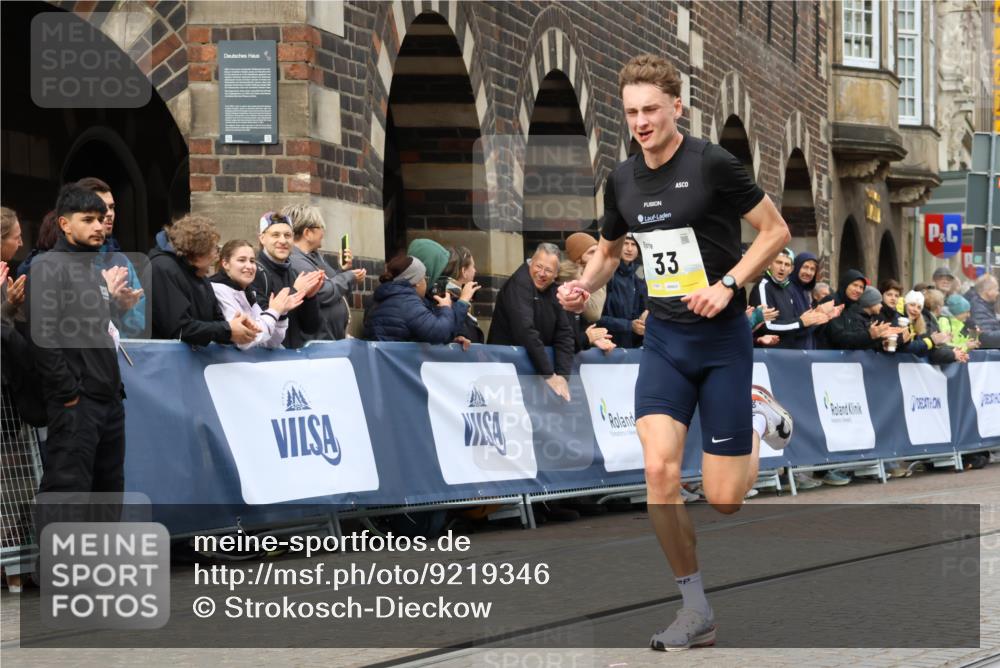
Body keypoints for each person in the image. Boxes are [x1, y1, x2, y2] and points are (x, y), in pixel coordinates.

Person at [556, 54, 794, 651]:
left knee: (725, 500)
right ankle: (695, 610)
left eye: (651, 111)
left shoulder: (711, 162)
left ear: (676, 108)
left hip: (721, 340)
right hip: (664, 340)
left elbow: (776, 231)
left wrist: (728, 285)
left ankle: (756, 410)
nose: (640, 122)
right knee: (659, 470)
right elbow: (610, 249)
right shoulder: (624, 177)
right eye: (632, 112)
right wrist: (586, 282)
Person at [25, 184, 141, 494]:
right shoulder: (48, 266)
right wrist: (69, 393)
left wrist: (115, 307)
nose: (99, 226)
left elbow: (91, 327)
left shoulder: (90, 268)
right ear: (64, 224)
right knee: (68, 489)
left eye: (101, 219)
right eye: (87, 219)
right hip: (77, 403)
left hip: (108, 398)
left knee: (109, 489)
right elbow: (43, 336)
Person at [150, 214, 259, 346]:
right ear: (198, 250)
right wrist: (227, 330)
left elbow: (215, 320)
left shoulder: (200, 276)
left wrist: (235, 326)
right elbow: (179, 329)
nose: (216, 255)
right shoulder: (162, 268)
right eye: (214, 249)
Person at [491, 243, 576, 401]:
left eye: (549, 270)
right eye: (538, 266)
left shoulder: (554, 290)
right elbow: (525, 330)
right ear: (531, 262)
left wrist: (563, 376)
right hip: (507, 371)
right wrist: (549, 375)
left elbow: (564, 333)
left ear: (556, 274)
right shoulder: (520, 284)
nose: (542, 273)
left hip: (534, 372)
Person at [77, 177, 146, 338]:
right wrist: (109, 299)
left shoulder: (121, 261)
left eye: (112, 207)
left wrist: (123, 308)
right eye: (101, 207)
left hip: (117, 354)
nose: (108, 214)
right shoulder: (62, 259)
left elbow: (138, 321)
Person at [284, 204, 365, 341]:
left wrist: (343, 270)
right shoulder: (296, 260)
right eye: (320, 227)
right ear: (307, 233)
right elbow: (322, 292)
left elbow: (334, 287)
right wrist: (349, 277)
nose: (323, 232)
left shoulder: (314, 257)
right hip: (317, 343)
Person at [210, 240, 304, 350]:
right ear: (225, 263)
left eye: (252, 261)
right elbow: (245, 340)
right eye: (242, 260)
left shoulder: (249, 292)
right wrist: (274, 312)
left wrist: (281, 313)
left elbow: (271, 342)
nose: (249, 266)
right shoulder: (217, 289)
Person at [253, 212, 325, 349]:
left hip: (291, 359)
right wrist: (296, 291)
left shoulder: (292, 272)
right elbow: (262, 323)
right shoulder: (254, 272)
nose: (283, 240)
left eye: (287, 235)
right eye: (275, 235)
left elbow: (311, 328)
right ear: (262, 238)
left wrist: (310, 298)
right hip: (265, 361)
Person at [364, 255, 474, 343]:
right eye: (424, 278)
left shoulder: (380, 298)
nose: (426, 283)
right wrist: (450, 306)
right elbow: (440, 333)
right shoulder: (408, 303)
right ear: (416, 282)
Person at [749, 248, 833, 348]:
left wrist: (815, 318)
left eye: (787, 264)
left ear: (791, 269)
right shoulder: (763, 286)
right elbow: (767, 325)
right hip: (770, 355)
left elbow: (792, 324)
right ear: (769, 264)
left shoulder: (787, 288)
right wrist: (801, 321)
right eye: (779, 262)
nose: (782, 268)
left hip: (789, 353)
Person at [408, 238, 479, 346]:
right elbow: (440, 333)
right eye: (439, 269)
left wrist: (452, 341)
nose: (475, 271)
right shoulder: (415, 302)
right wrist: (462, 302)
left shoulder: (415, 299)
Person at [598, 232, 648, 348]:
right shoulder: (605, 273)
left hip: (633, 344)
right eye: (625, 243)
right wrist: (628, 325)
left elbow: (643, 308)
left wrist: (646, 314)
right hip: (608, 343)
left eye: (633, 244)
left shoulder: (639, 274)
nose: (629, 249)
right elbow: (597, 318)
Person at [825, 286, 900, 352]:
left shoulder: (870, 318)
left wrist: (882, 343)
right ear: (870, 303)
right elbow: (857, 343)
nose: (881, 305)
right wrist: (874, 337)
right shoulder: (856, 318)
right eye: (878, 302)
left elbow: (869, 343)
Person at [440, 245, 485, 345]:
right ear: (464, 271)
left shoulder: (444, 297)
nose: (475, 270)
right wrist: (463, 300)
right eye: (473, 266)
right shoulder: (448, 301)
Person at [922, 288, 969, 364]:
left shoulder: (929, 320)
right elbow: (934, 351)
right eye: (942, 305)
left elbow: (939, 346)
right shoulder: (928, 322)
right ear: (938, 308)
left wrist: (954, 350)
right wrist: (954, 354)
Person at [965, 274, 1000, 348]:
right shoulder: (977, 308)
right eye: (996, 290)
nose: (998, 293)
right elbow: (985, 337)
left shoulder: (985, 306)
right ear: (988, 291)